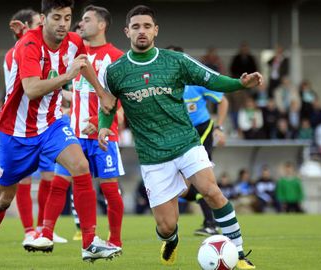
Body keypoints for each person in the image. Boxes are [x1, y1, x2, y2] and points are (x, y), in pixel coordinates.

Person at [98, 5, 259, 269]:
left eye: (147, 26)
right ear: (127, 31)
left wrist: (240, 83)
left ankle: (239, 255)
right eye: (136, 26)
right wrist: (104, 125)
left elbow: (213, 80)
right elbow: (108, 104)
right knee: (166, 225)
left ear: (156, 30)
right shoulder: (115, 71)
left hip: (186, 143)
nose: (142, 31)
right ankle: (170, 239)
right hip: (152, 156)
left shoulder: (175, 61)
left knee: (212, 191)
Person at [0, 0, 119, 267]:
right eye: (56, 17)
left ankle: (89, 242)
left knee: (80, 165)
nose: (63, 24)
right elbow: (32, 89)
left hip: (52, 124)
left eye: (67, 18)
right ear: (44, 18)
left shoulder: (72, 42)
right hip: (16, 133)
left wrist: (102, 92)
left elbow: (83, 63)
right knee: (3, 198)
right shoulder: (28, 45)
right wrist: (66, 76)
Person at [42, 5, 125, 248]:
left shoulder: (116, 57)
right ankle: (45, 235)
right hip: (74, 135)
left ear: (102, 25)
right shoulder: (75, 55)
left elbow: (121, 100)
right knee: (59, 185)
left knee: (110, 191)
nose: (80, 24)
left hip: (103, 136)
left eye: (86, 20)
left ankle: (115, 241)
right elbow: (75, 93)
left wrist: (100, 122)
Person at [4, 7, 68, 249]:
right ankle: (28, 231)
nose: (42, 28)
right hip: (22, 126)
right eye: (37, 24)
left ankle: (43, 229)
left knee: (49, 177)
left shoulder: (46, 52)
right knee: (23, 180)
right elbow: (28, 87)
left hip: (45, 124)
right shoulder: (17, 52)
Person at [166, 45, 229, 237]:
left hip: (201, 131)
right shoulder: (163, 84)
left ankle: (211, 223)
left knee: (199, 176)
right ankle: (205, 214)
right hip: (179, 133)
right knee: (183, 183)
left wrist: (219, 127)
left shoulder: (195, 81)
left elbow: (223, 101)